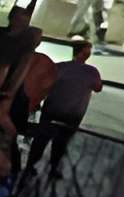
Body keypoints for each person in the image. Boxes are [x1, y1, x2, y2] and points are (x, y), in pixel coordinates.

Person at [23, 36, 99, 174]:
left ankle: (30, 165)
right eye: (88, 50)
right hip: (74, 113)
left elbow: (45, 85)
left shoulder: (59, 67)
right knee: (62, 142)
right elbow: (98, 87)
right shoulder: (91, 72)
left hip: (52, 109)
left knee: (41, 139)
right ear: (83, 52)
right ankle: (54, 168)